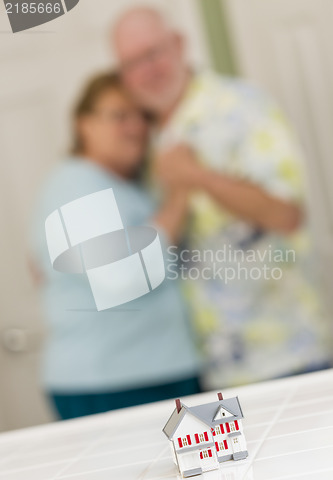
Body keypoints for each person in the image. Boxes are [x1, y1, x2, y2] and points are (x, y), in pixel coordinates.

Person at [112, 6, 332, 388]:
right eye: (132, 63)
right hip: (215, 370)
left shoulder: (241, 107)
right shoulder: (143, 138)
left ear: (179, 45)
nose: (147, 71)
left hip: (288, 356)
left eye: (153, 53)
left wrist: (197, 176)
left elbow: (286, 214)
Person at [30, 73, 200, 419]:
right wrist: (182, 193)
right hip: (111, 381)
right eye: (119, 116)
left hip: (150, 371)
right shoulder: (75, 183)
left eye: (143, 116)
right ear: (84, 124)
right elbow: (119, 276)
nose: (136, 127)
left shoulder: (125, 185)